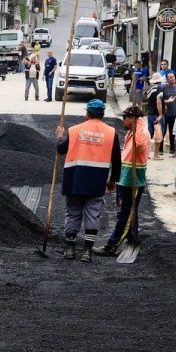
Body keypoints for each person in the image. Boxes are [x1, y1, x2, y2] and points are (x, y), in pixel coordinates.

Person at [54, 98, 120, 261]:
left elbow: (61, 149)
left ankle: (70, 249)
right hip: (97, 179)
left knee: (73, 212)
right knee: (93, 214)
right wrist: (113, 180)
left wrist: (60, 136)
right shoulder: (112, 133)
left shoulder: (75, 130)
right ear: (102, 114)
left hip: (74, 178)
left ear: (87, 113)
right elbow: (117, 160)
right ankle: (87, 252)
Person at [101, 104, 150, 257]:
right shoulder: (131, 131)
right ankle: (133, 239)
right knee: (129, 213)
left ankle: (112, 245)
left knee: (125, 214)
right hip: (125, 178)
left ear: (133, 119)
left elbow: (140, 145)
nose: (123, 121)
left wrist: (137, 127)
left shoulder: (140, 131)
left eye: (125, 118)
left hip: (132, 180)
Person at [156, 72, 176, 157]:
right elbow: (159, 100)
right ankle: (160, 149)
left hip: (174, 113)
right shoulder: (163, 87)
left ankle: (172, 149)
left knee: (172, 132)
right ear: (167, 79)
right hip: (164, 113)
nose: (172, 78)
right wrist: (167, 101)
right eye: (170, 77)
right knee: (163, 131)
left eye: (173, 77)